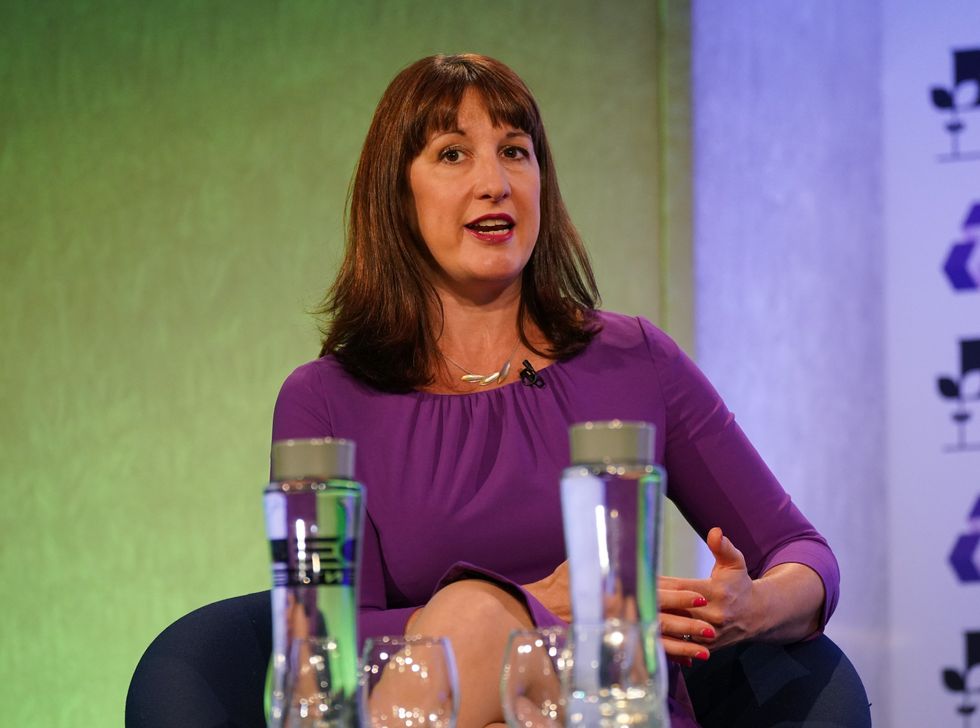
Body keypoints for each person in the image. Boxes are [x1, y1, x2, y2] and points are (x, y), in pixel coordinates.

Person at [272, 53, 838, 728]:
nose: (495, 183)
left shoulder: (634, 360)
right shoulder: (324, 402)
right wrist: (534, 606)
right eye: (453, 155)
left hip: (612, 711)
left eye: (516, 151)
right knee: (472, 613)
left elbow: (806, 558)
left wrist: (749, 609)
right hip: (438, 711)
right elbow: (320, 645)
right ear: (397, 196)